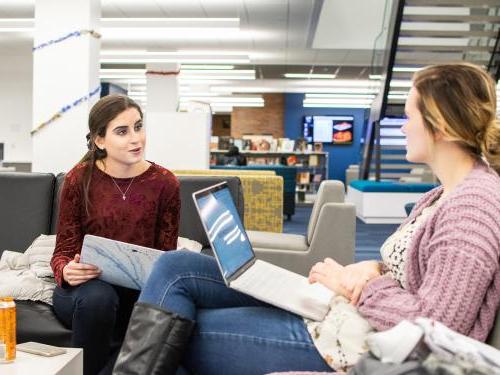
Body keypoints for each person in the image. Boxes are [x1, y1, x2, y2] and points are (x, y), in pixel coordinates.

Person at [113, 63, 500, 375]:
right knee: (175, 264)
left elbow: (437, 329)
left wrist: (355, 288)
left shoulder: (472, 208)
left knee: (177, 332)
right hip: (341, 316)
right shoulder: (441, 194)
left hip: (350, 343)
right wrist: (373, 268)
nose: (403, 125)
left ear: (442, 125)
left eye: (411, 114)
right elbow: (419, 272)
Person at [50, 94, 181, 375]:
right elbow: (62, 252)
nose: (136, 139)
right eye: (122, 131)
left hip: (137, 291)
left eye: (138, 126)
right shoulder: (79, 178)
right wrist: (67, 270)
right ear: (100, 140)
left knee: (160, 309)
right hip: (85, 290)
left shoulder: (164, 183)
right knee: (100, 298)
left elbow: (165, 254)